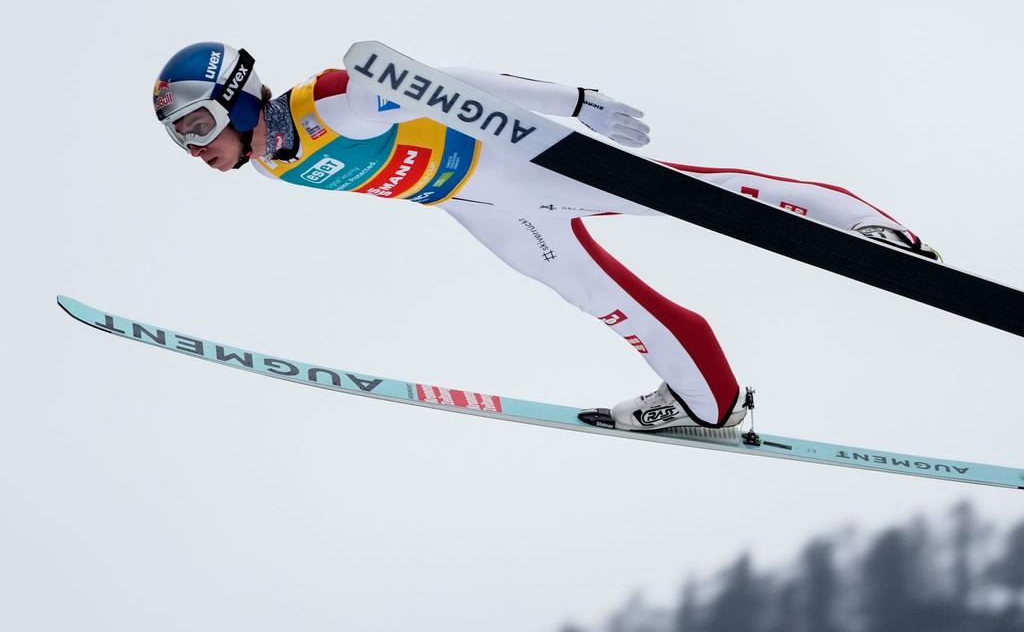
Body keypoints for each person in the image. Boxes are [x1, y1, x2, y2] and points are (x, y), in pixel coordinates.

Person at [154, 42, 939, 433]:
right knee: (597, 295)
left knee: (688, 195)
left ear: (237, 98)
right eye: (179, 138)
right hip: (479, 207)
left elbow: (453, 86)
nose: (194, 148)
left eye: (196, 124)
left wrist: (575, 102)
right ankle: (711, 401)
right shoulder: (273, 164)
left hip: (511, 165)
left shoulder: (333, 104)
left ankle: (864, 227)